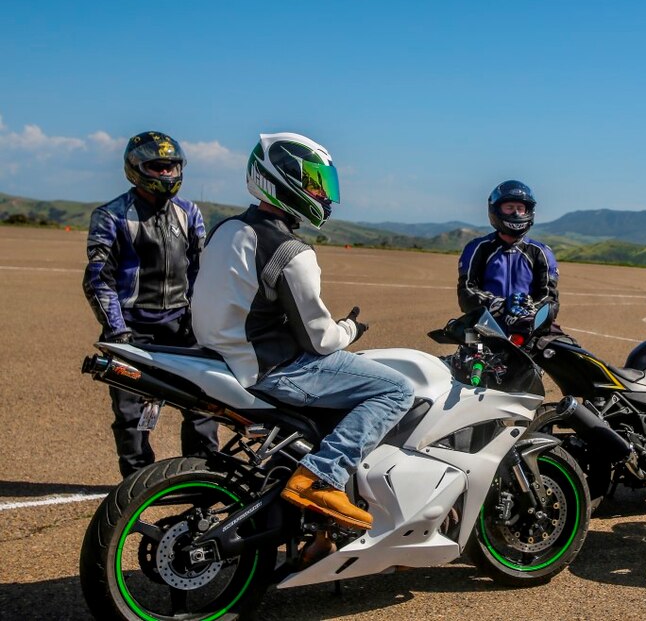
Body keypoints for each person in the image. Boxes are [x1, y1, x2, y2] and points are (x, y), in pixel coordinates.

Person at [191, 132, 414, 531]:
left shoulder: (225, 229)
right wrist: (350, 328)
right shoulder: (292, 252)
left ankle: (318, 531)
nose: (322, 194)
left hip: (217, 355)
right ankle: (321, 477)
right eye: (314, 183)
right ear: (282, 179)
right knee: (397, 389)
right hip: (268, 367)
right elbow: (320, 339)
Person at [83, 130, 219, 478]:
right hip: (131, 330)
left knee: (204, 405)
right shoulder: (111, 215)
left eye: (172, 167)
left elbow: (201, 272)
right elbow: (98, 278)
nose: (166, 174)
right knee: (131, 415)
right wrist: (118, 330)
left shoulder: (189, 213)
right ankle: (136, 484)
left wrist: (203, 321)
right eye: (157, 167)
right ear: (135, 168)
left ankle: (202, 476)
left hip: (182, 328)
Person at [457, 180, 560, 334]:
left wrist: (528, 310)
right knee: (467, 355)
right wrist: (500, 305)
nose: (516, 213)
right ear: (496, 209)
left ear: (529, 211)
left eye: (520, 208)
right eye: (509, 208)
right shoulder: (478, 248)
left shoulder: (541, 252)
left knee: (567, 350)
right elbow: (466, 291)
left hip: (529, 328)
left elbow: (549, 298)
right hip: (485, 327)